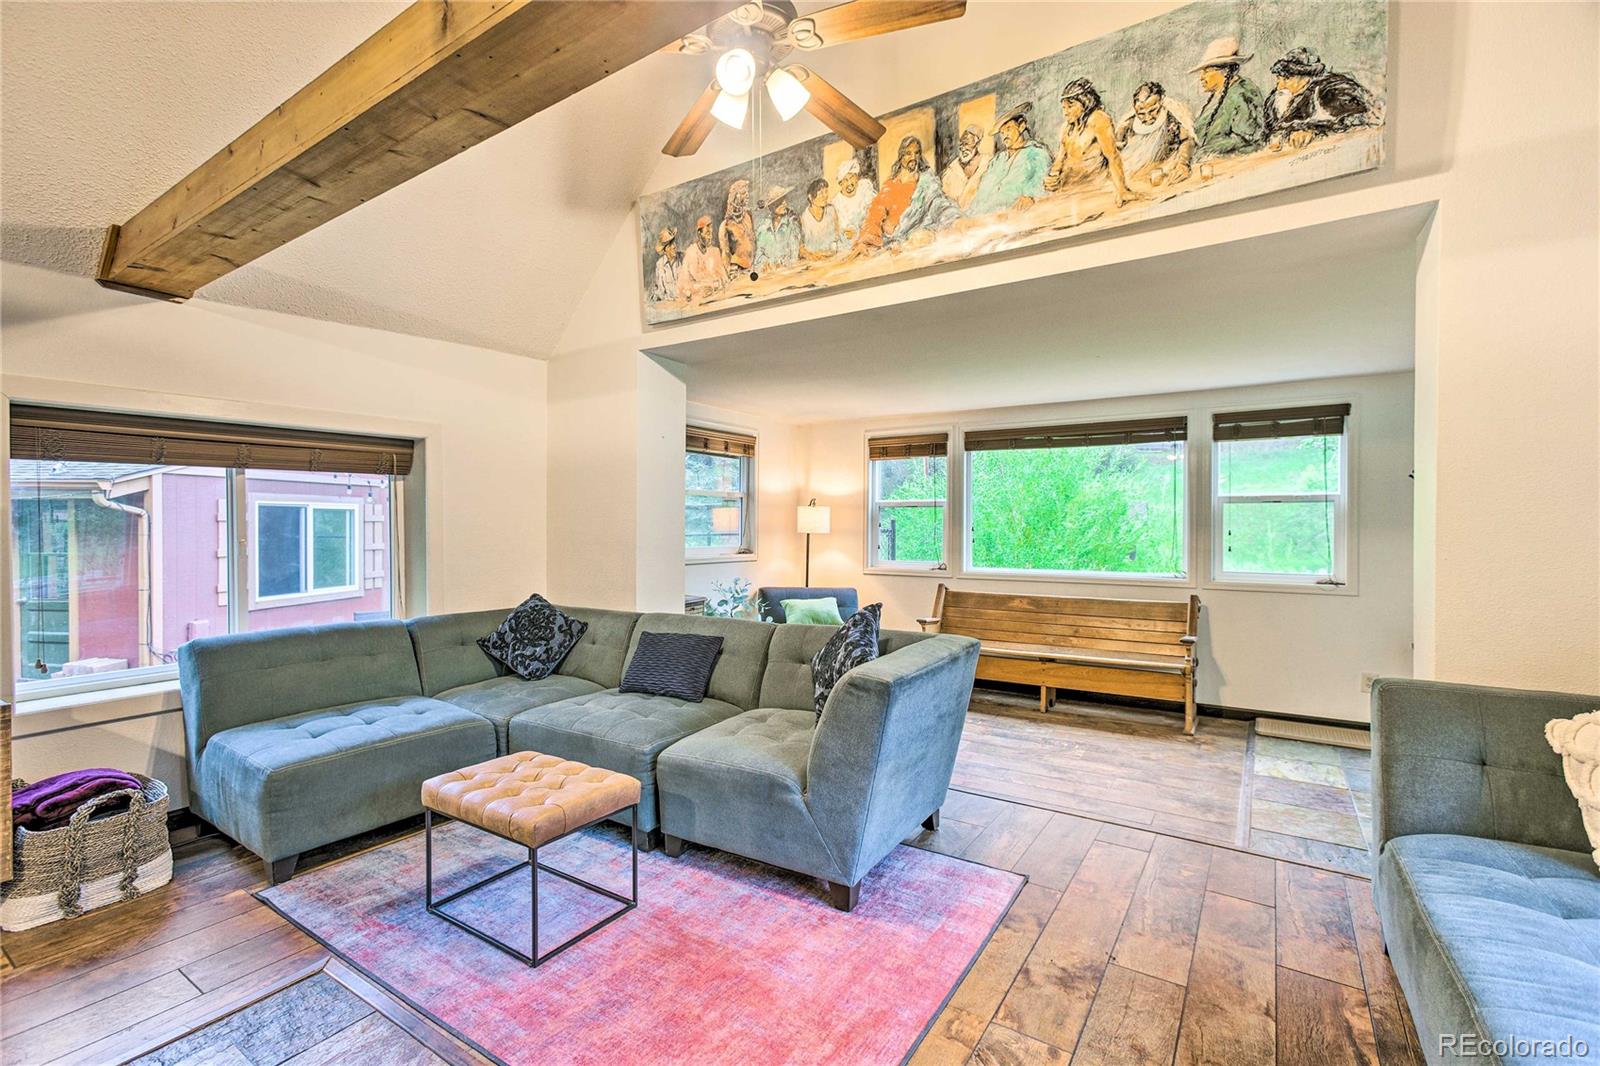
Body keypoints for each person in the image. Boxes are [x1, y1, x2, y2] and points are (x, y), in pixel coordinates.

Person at [851, 135, 960, 253]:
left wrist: (954, 219)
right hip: (886, 240)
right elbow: (876, 211)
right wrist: (865, 240)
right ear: (901, 155)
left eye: (917, 153)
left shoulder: (926, 179)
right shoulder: (891, 182)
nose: (913, 157)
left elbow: (937, 202)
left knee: (923, 238)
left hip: (912, 235)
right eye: (908, 153)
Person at [1264, 47, 1381, 150]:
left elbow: (1358, 120)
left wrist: (1313, 130)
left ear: (1306, 77)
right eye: (1278, 79)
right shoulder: (1276, 100)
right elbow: (1271, 131)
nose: (1280, 86)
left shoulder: (1334, 90)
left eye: (1286, 79)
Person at [1044, 78, 1137, 206]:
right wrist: (1052, 177)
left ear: (1085, 103)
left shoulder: (1099, 119)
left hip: (1094, 189)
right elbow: (1060, 159)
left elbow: (1113, 157)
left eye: (1070, 106)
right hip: (1068, 191)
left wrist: (1122, 189)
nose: (1065, 112)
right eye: (1063, 107)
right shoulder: (1066, 128)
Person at [966, 102, 1052, 216]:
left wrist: (1030, 197)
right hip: (985, 217)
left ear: (1021, 126)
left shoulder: (1037, 153)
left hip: (1015, 216)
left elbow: (1039, 186)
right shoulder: (998, 160)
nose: (1004, 135)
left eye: (1008, 129)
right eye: (1001, 132)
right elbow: (983, 191)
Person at [1190, 36, 1265, 158]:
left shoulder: (1242, 93)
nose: (1201, 78)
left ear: (1225, 71)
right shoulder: (1217, 97)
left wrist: (1206, 151)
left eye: (1207, 71)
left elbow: (1245, 138)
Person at [1116, 81, 1195, 183]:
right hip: (1133, 178)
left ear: (1161, 101)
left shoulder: (1172, 120)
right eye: (1141, 114)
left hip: (1163, 174)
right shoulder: (1127, 125)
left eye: (1153, 111)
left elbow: (1187, 140)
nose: (1148, 118)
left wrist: (1183, 164)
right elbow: (1114, 150)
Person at [940, 123, 991, 211]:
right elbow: (943, 200)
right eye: (961, 144)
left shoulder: (988, 163)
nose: (963, 148)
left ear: (977, 144)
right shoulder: (951, 170)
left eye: (967, 144)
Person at [676, 215, 726, 301]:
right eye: (707, 233)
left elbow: (724, 278)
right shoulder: (691, 252)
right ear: (699, 234)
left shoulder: (715, 252)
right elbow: (684, 284)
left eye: (711, 233)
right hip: (697, 301)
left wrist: (716, 284)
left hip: (716, 298)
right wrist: (705, 286)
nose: (710, 237)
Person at [752, 185, 801, 271]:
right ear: (771, 207)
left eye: (784, 200)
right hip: (768, 275)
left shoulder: (791, 225)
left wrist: (782, 265)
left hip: (788, 273)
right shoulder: (763, 229)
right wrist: (765, 263)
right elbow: (758, 258)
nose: (785, 204)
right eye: (780, 201)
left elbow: (794, 255)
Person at [832, 158, 876, 242]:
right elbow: (841, 230)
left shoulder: (865, 188)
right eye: (845, 180)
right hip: (852, 242)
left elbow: (875, 210)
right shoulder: (837, 203)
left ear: (857, 178)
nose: (849, 183)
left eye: (851, 177)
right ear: (840, 184)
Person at [718, 178, 755, 276]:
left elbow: (753, 240)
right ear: (736, 196)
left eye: (747, 192)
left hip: (752, 267)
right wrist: (728, 273)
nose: (747, 195)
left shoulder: (748, 215)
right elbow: (725, 253)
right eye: (743, 193)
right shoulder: (725, 225)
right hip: (736, 270)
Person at [797, 178, 842, 259]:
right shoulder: (804, 218)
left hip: (832, 257)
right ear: (810, 197)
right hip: (814, 259)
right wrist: (812, 256)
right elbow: (800, 248)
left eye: (826, 192)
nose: (825, 196)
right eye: (821, 193)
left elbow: (837, 235)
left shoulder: (831, 210)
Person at [650, 226, 681, 302]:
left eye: (674, 243)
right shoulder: (660, 265)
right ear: (665, 249)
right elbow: (661, 291)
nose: (674, 246)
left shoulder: (682, 258)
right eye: (671, 244)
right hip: (669, 304)